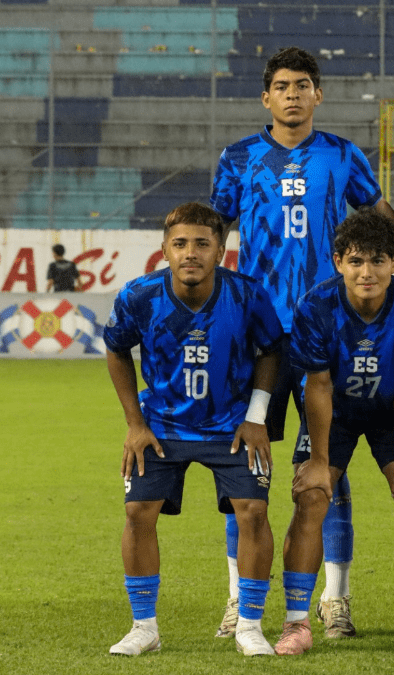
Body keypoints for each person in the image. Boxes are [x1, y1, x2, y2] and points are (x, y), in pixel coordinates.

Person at [210, 46, 394, 640]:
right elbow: (211, 235)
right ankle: (239, 597)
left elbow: (386, 222)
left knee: (329, 466)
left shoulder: (342, 155)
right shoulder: (238, 159)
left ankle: (337, 598)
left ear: (317, 95)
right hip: (257, 334)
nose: (292, 94)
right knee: (243, 467)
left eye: (303, 84)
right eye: (281, 85)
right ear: (266, 97)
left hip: (331, 331)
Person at [104, 202, 283, 657]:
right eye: (180, 243)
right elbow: (116, 349)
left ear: (221, 251)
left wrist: (256, 417)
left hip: (231, 427)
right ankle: (144, 627)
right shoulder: (139, 297)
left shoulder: (247, 294)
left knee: (253, 512)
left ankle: (250, 624)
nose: (190, 253)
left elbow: (271, 351)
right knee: (137, 513)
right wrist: (134, 424)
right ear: (164, 249)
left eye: (202, 244)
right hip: (161, 426)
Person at [274, 210, 394, 656]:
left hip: (392, 413)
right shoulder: (315, 306)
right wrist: (320, 462)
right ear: (338, 262)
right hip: (337, 413)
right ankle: (296, 624)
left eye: (379, 260)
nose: (367, 272)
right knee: (311, 497)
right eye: (356, 261)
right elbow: (318, 385)